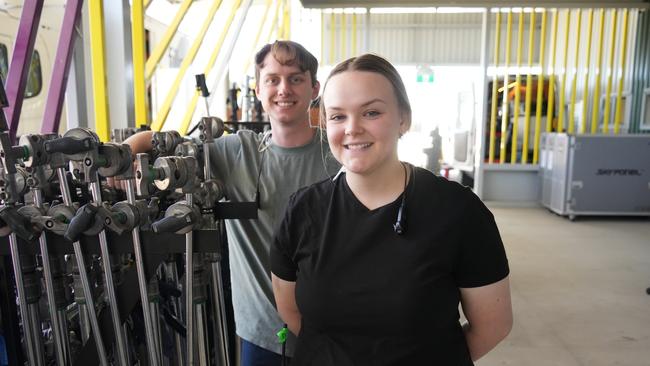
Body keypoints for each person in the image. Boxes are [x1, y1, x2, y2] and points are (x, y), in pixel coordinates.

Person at [271, 54, 512, 365]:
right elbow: (290, 312)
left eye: (371, 112)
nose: (352, 128)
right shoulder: (302, 211)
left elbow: (493, 326)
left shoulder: (458, 212)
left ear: (404, 119)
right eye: (338, 116)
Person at [124, 41, 340, 365]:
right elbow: (164, 145)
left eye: (296, 78)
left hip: (330, 332)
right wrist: (125, 152)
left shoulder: (337, 155)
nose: (284, 89)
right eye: (272, 79)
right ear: (258, 87)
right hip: (260, 334)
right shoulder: (235, 152)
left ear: (315, 88)